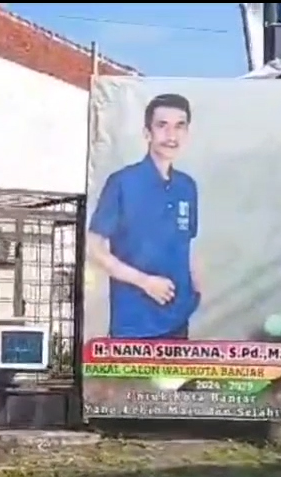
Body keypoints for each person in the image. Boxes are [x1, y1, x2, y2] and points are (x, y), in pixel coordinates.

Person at [87, 92, 202, 340]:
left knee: (178, 381)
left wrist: (196, 291)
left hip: (178, 321)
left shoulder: (187, 186)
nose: (171, 136)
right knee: (133, 381)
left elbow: (187, 244)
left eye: (179, 126)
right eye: (162, 126)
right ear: (147, 133)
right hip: (135, 326)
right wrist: (145, 282)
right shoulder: (122, 183)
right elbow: (94, 248)